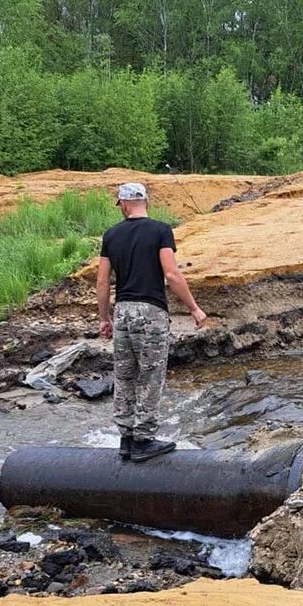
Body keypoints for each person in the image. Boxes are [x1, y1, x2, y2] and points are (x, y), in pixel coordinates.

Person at [97, 183, 208, 463]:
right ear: (145, 201)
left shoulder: (111, 235)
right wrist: (194, 308)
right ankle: (144, 440)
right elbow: (171, 274)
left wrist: (104, 318)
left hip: (122, 311)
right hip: (151, 313)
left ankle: (126, 438)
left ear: (123, 204)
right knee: (150, 375)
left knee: (124, 376)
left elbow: (102, 281)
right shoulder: (160, 230)